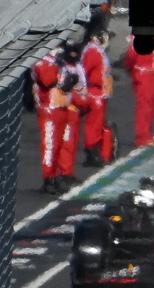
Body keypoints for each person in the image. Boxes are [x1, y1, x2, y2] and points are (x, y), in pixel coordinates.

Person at [30, 42, 85, 193]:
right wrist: (66, 82)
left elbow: (68, 82)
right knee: (50, 145)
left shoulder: (59, 60)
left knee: (60, 145)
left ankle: (56, 176)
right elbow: (48, 80)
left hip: (61, 107)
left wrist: (69, 81)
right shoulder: (42, 60)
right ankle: (49, 179)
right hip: (49, 108)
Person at [121, 32, 154, 147]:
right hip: (144, 75)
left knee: (151, 105)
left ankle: (147, 134)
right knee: (144, 106)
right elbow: (130, 58)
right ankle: (142, 137)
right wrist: (133, 72)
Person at [78, 29, 112, 165]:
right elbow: (84, 71)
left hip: (100, 91)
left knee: (98, 123)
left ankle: (96, 152)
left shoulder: (97, 50)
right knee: (94, 124)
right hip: (94, 91)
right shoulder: (92, 51)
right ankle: (92, 153)